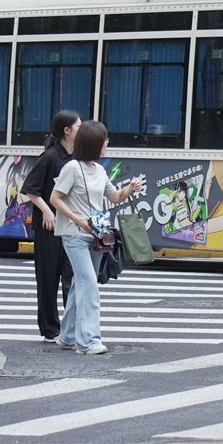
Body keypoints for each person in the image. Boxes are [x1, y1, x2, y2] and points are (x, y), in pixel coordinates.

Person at [50, 120, 141, 356]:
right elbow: (55, 198)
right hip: (74, 235)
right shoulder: (71, 168)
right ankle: (88, 341)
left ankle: (67, 336)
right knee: (89, 284)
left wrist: (130, 189)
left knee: (80, 285)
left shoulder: (99, 170)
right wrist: (77, 219)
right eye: (104, 140)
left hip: (96, 236)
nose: (107, 143)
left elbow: (114, 197)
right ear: (94, 143)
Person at [21, 110, 80, 342]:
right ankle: (50, 329)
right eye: (78, 125)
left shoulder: (75, 158)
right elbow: (30, 189)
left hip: (69, 227)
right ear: (67, 130)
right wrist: (47, 211)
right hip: (48, 228)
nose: (81, 129)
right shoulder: (50, 157)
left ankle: (69, 327)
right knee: (47, 278)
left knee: (71, 276)